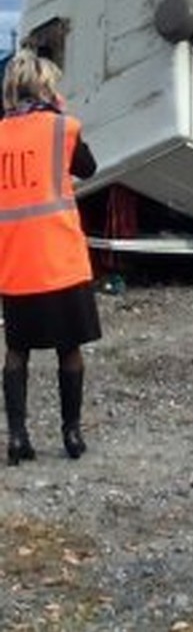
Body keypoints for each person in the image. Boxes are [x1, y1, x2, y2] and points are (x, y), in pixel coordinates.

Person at [0, 50, 101, 465]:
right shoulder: (63, 129)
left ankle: (18, 437)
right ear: (46, 88)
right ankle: (71, 433)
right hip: (59, 258)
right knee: (69, 347)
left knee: (17, 349)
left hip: (14, 260)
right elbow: (89, 168)